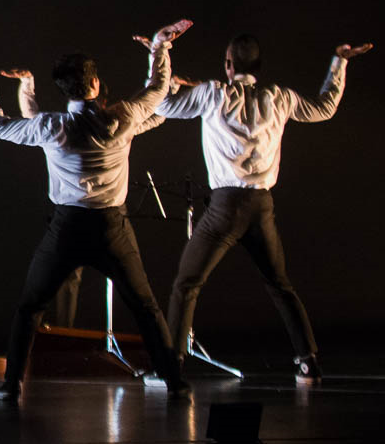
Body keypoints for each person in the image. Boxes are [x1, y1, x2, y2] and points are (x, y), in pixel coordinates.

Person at [0, 19, 196, 401]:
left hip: (66, 229)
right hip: (110, 228)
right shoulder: (121, 116)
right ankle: (175, 382)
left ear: (64, 89)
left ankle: (13, 382)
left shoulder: (52, 126)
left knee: (30, 306)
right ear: (96, 86)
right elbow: (156, 90)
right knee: (146, 307)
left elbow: (0, 126)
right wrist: (160, 47)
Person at [154, 36, 370, 385]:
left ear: (228, 65)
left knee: (186, 283)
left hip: (224, 207)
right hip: (261, 207)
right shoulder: (278, 97)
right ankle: (308, 362)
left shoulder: (213, 94)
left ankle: (173, 364)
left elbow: (162, 104)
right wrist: (339, 62)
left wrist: (159, 52)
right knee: (280, 285)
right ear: (258, 68)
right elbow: (325, 107)